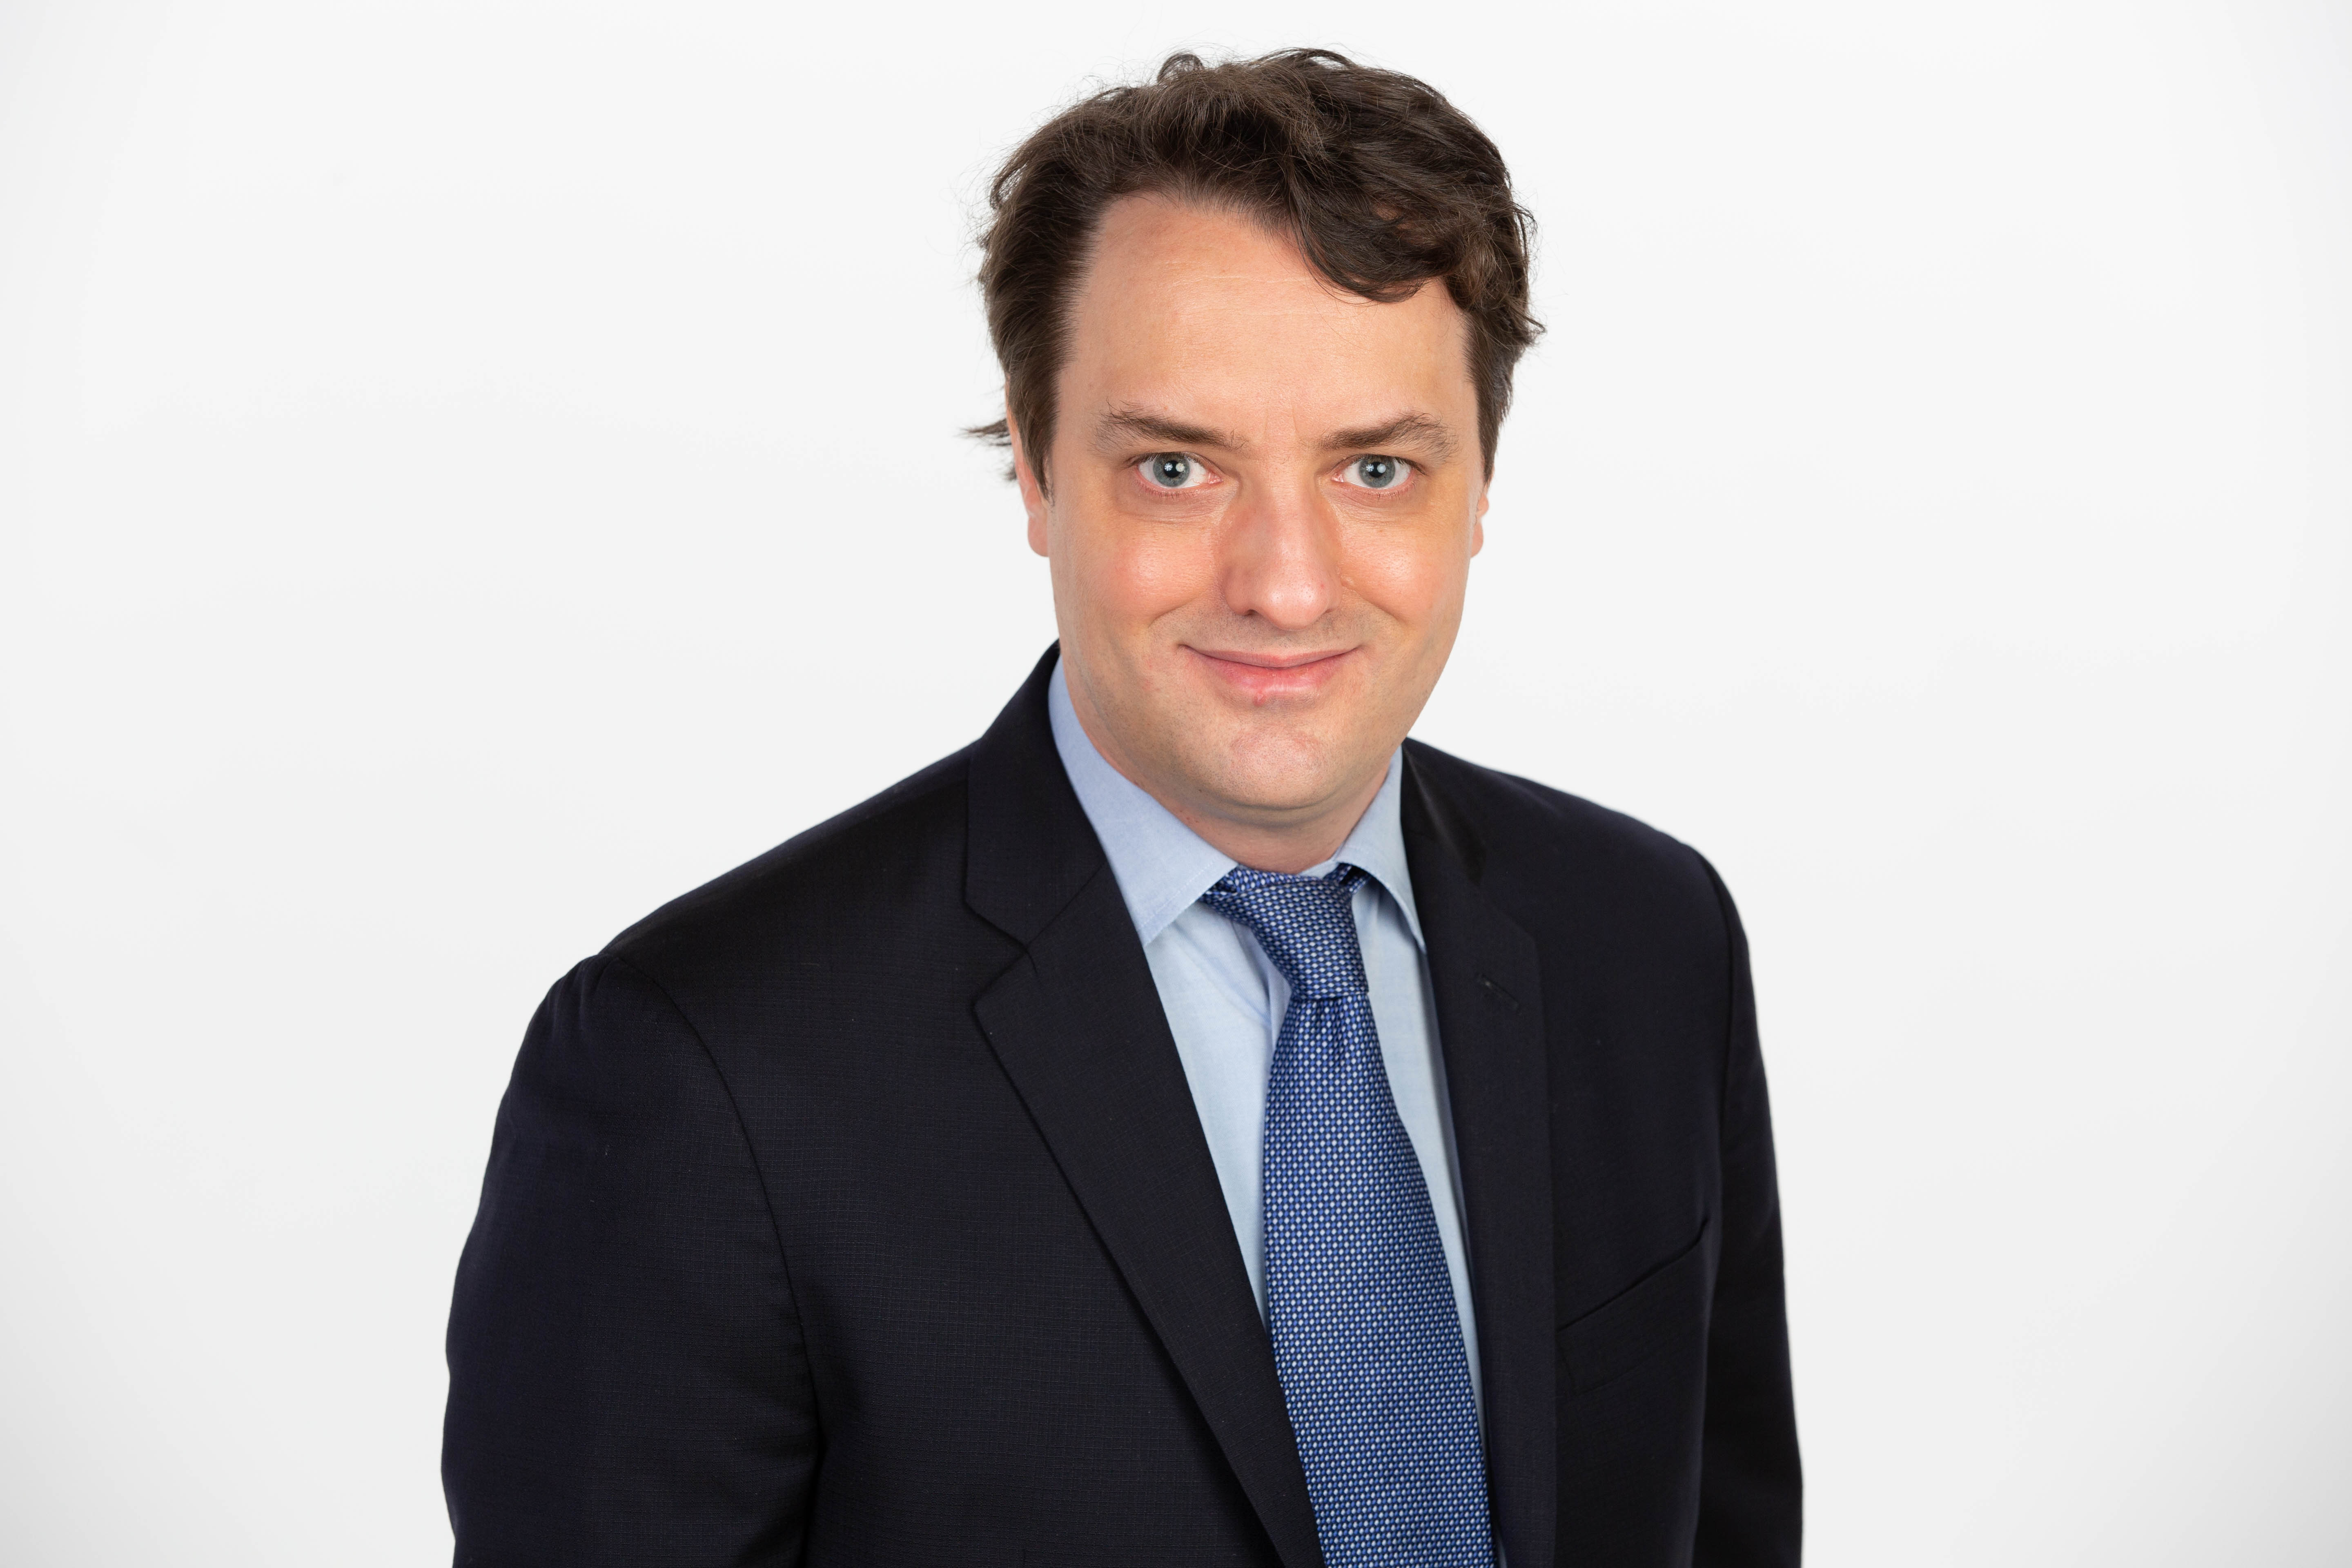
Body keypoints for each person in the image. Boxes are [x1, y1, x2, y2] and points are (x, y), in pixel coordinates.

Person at [443, 48, 1800, 1568]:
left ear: (1480, 480)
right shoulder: (701, 1076)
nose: (1287, 586)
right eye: (1175, 467)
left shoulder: (1651, 943)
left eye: (1374, 468)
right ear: (1034, 470)